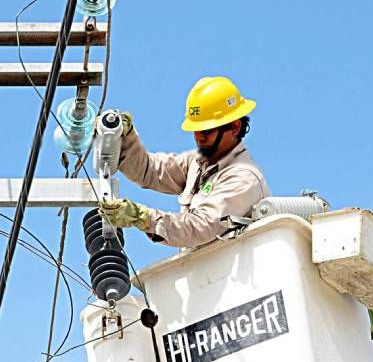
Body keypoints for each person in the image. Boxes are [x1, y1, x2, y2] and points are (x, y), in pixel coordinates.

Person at [99, 76, 270, 248]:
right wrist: (123, 137)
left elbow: (200, 227)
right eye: (195, 130)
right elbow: (148, 170)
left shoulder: (242, 178)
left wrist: (143, 218)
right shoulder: (198, 163)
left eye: (206, 130)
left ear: (234, 127)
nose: (199, 137)